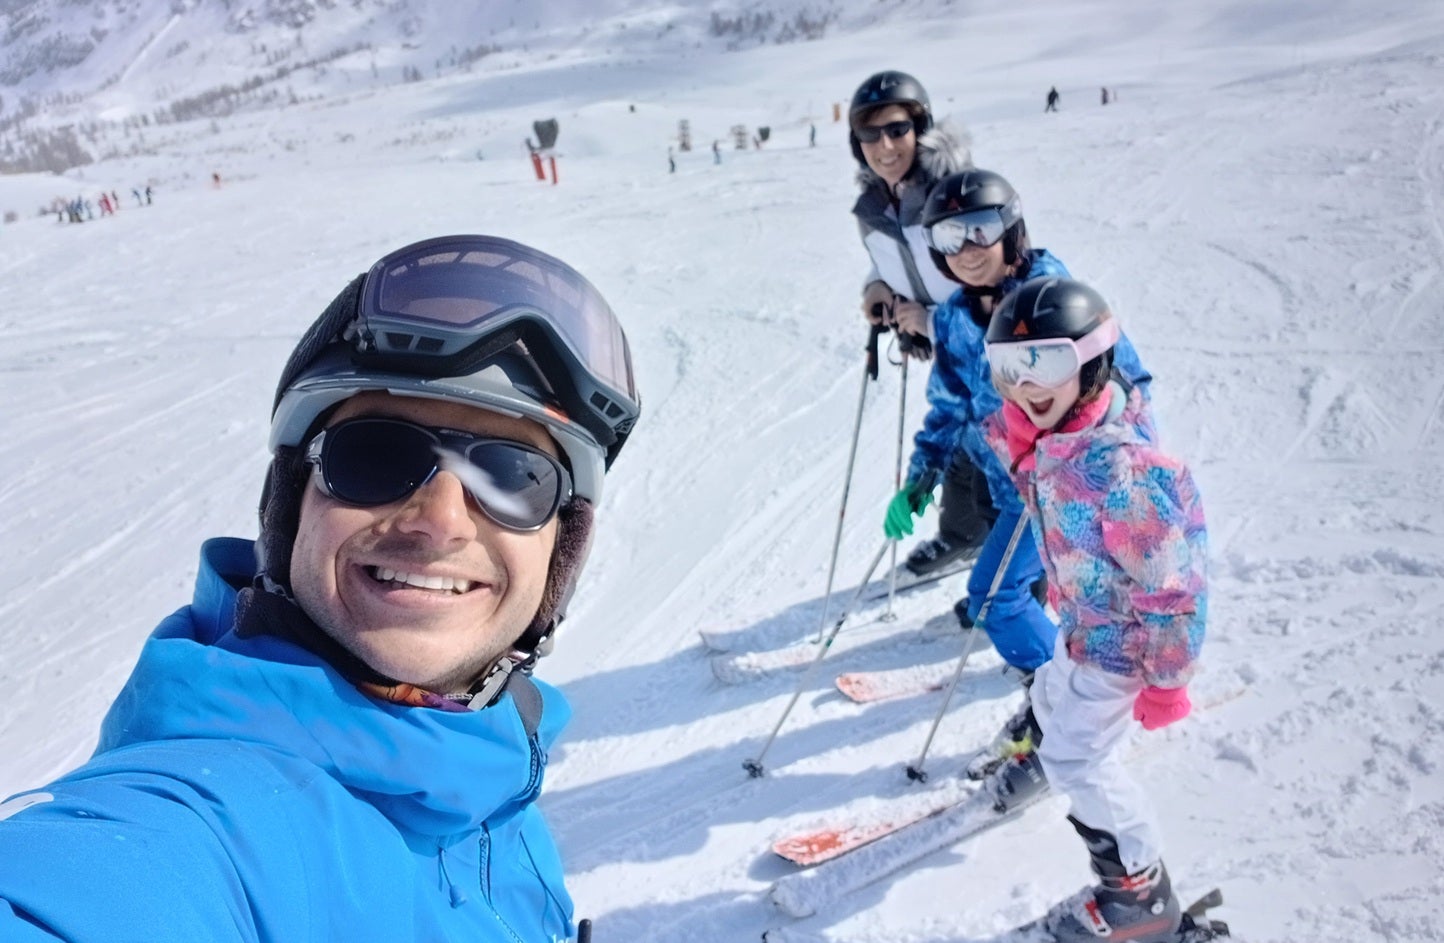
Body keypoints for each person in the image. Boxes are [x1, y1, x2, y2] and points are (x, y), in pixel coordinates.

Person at [0, 234, 642, 942]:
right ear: (289, 508)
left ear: (561, 547)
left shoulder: (487, 775)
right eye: (375, 455)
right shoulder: (203, 828)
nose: (441, 522)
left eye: (516, 477)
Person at [983, 277, 1206, 942]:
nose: (1025, 385)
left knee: (1084, 760)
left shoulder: (1127, 469)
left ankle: (1138, 895)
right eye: (1008, 368)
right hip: (1082, 629)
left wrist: (1166, 681)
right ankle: (1046, 751)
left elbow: (1174, 589)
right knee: (1050, 695)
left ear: (1092, 359)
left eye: (1045, 363)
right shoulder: (1052, 439)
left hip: (1124, 649)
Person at [846, 69, 988, 578]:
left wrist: (931, 320)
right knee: (956, 440)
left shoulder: (954, 195)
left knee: (991, 447)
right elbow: (894, 261)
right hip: (944, 345)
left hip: (990, 345)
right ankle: (965, 536)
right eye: (870, 134)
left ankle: (1015, 578)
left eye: (897, 129)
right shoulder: (874, 207)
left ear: (921, 128)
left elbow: (991, 277)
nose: (885, 145)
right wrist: (877, 289)